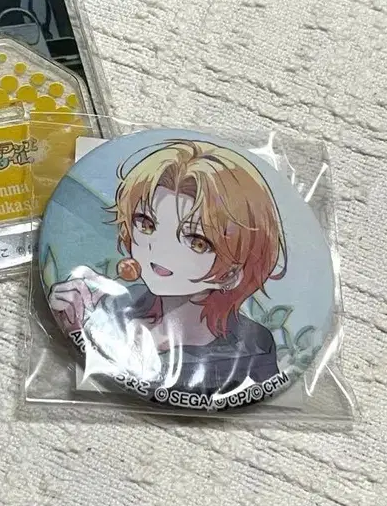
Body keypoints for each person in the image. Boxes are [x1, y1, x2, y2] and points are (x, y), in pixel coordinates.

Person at [48, 140, 286, 394]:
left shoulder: (252, 349)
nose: (159, 249)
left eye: (197, 242)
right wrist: (77, 325)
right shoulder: (115, 304)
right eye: (146, 224)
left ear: (231, 273)